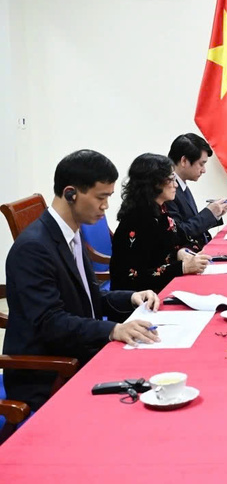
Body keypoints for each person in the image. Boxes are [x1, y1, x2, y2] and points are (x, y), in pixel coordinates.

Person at [3, 150, 161, 411]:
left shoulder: (71, 234)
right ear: (70, 193)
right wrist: (112, 330)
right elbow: (50, 322)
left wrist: (131, 297)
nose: (106, 206)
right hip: (49, 373)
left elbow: (88, 297)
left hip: (78, 351)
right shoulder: (33, 248)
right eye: (101, 197)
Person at [110, 153, 210, 293]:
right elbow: (132, 277)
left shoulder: (160, 210)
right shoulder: (136, 220)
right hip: (141, 300)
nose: (175, 185)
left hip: (164, 288)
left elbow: (186, 238)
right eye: (171, 180)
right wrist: (182, 267)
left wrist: (182, 252)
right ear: (154, 183)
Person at [165, 133, 227, 249]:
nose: (204, 170)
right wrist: (209, 214)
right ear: (184, 161)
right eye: (201, 164)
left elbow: (190, 221)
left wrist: (215, 214)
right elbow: (179, 233)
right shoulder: (167, 190)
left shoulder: (182, 184)